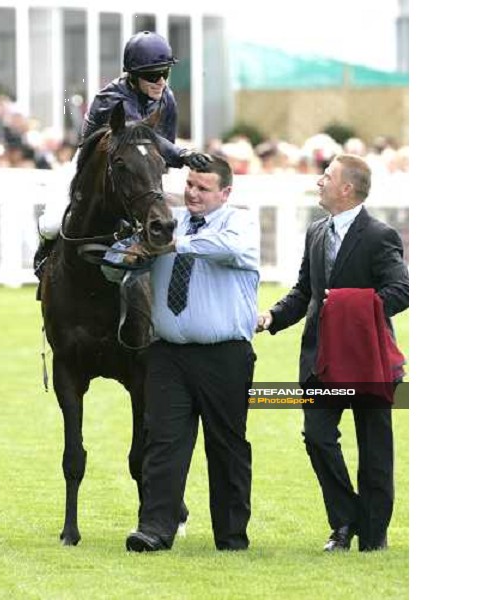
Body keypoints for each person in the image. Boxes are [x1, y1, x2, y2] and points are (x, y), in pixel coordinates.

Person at [257, 154, 409, 552]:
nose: (319, 181)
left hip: (368, 360)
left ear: (347, 188)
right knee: (317, 436)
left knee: (375, 451)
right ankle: (345, 522)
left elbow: (400, 292)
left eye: (327, 176)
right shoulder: (316, 231)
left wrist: (345, 306)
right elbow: (305, 291)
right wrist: (271, 316)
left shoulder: (380, 235)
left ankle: (372, 536)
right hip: (321, 359)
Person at [122, 155, 260, 552]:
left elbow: (228, 248)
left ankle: (231, 535)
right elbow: (127, 265)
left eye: (203, 188)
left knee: (227, 446)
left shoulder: (239, 222)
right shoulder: (168, 223)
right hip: (168, 354)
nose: (193, 194)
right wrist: (126, 256)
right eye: (190, 185)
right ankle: (154, 529)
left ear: (225, 192)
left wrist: (170, 243)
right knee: (162, 442)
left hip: (225, 354)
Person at [34, 30, 211, 279]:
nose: (160, 81)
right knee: (52, 223)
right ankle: (45, 256)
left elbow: (162, 149)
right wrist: (183, 153)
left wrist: (178, 160)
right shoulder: (112, 98)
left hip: (140, 167)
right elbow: (136, 135)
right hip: (93, 166)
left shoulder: (166, 97)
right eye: (152, 75)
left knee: (180, 214)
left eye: (165, 73)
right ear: (134, 75)